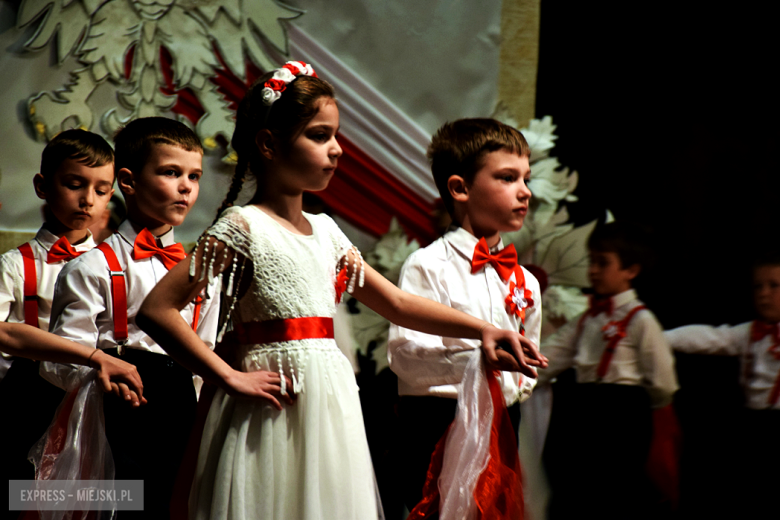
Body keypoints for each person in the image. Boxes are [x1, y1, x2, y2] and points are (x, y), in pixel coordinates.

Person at [135, 61, 545, 520]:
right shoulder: (242, 227)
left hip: (328, 398)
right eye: (319, 135)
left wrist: (483, 330)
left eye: (335, 136)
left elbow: (397, 302)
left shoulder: (327, 231)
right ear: (269, 143)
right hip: (275, 397)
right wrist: (226, 375)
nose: (336, 150)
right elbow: (157, 309)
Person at [46, 117, 221, 519]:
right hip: (120, 409)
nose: (185, 187)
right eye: (170, 172)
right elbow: (59, 358)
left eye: (193, 176)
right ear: (128, 180)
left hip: (181, 406)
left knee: (175, 505)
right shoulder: (92, 266)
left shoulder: (199, 272)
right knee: (124, 508)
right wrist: (99, 376)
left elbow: (205, 347)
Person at [387, 118, 542, 518]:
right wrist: (477, 363)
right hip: (441, 423)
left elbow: (528, 364)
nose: (524, 191)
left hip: (503, 423)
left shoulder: (524, 280)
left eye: (526, 177)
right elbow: (406, 358)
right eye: (508, 178)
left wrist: (516, 379)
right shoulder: (428, 265)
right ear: (460, 188)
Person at [0, 129, 115, 519]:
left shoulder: (111, 265)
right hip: (30, 398)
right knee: (26, 496)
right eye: (74, 184)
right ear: (42, 186)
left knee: (96, 496)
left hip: (91, 396)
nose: (88, 200)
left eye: (102, 190)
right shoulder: (16, 265)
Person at [539, 221, 679, 520]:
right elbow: (549, 357)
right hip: (585, 409)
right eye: (592, 261)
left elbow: (663, 381)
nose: (592, 270)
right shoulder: (587, 318)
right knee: (576, 488)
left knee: (615, 491)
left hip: (623, 413)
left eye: (603, 263)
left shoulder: (642, 320)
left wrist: (645, 411)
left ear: (631, 271)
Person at [665, 253, 780, 517]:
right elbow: (711, 337)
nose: (763, 294)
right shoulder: (750, 332)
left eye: (774, 286)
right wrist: (657, 338)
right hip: (754, 427)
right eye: (758, 286)